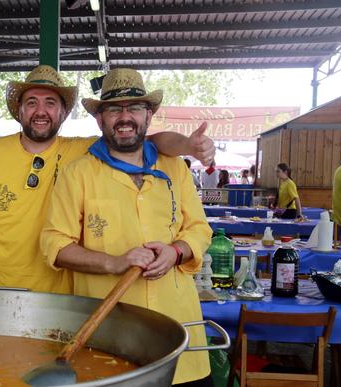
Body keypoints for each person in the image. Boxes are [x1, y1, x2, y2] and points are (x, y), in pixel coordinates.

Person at [0, 65, 215, 294]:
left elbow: (145, 139)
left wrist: (188, 145)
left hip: (59, 296)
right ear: (19, 109)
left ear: (63, 112)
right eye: (31, 103)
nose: (41, 111)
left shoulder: (83, 152)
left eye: (50, 103)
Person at [40, 67, 213, 386]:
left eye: (134, 108)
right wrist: (114, 262)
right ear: (99, 119)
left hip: (181, 333)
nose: (125, 117)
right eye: (113, 109)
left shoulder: (175, 167)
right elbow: (55, 245)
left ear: (149, 116)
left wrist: (176, 252)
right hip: (112, 336)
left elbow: (200, 229)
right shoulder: (77, 174)